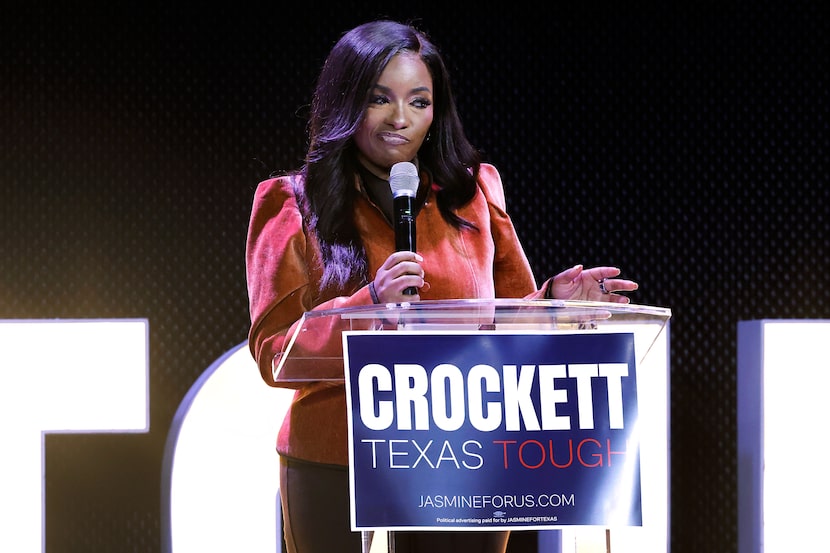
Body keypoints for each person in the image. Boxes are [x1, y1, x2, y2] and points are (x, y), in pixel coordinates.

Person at [245, 19, 638, 553]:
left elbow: (506, 317)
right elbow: (276, 354)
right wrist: (370, 306)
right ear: (346, 102)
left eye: (419, 101)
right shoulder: (293, 204)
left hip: (458, 450)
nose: (401, 119)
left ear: (437, 110)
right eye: (379, 99)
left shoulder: (474, 193)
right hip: (335, 451)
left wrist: (552, 302)